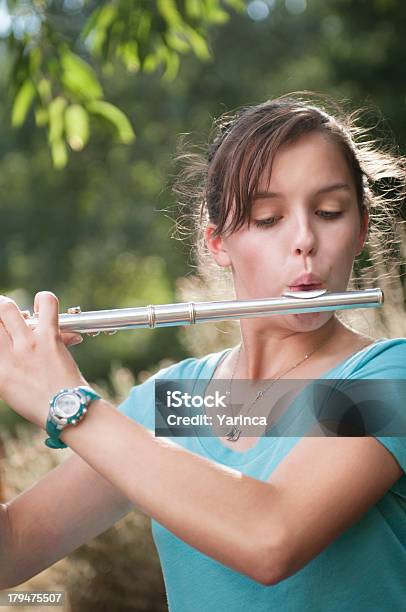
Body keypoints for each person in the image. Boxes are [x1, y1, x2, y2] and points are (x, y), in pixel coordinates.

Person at [0, 94, 405, 612]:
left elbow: (270, 536)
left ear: (361, 228)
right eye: (267, 218)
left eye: (329, 211)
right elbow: (12, 549)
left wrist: (67, 402)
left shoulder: (387, 376)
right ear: (218, 242)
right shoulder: (177, 403)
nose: (305, 239)